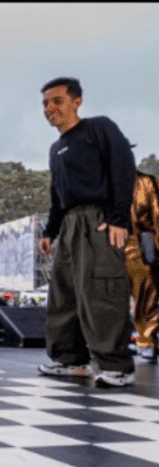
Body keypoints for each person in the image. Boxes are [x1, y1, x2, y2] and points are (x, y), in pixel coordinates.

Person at [36, 77, 137, 387]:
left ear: (76, 101)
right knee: (64, 295)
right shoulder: (56, 148)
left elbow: (124, 166)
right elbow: (57, 193)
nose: (50, 108)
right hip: (68, 224)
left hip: (99, 220)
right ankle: (70, 360)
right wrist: (50, 231)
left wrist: (119, 216)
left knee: (101, 291)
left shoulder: (99, 127)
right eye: (45, 104)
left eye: (57, 101)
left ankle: (116, 366)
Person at [124, 169, 159, 363]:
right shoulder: (99, 180)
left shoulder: (146, 182)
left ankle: (147, 340)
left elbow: (156, 216)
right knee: (109, 297)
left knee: (145, 294)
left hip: (139, 244)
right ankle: (136, 340)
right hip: (111, 244)